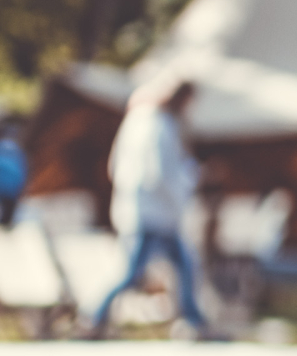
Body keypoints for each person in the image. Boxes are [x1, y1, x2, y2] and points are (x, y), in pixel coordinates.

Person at [88, 78, 207, 338]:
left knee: (184, 266)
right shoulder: (160, 125)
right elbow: (160, 173)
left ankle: (194, 321)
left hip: (141, 210)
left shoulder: (137, 122)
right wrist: (186, 188)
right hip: (154, 213)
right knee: (132, 273)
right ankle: (92, 317)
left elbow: (115, 167)